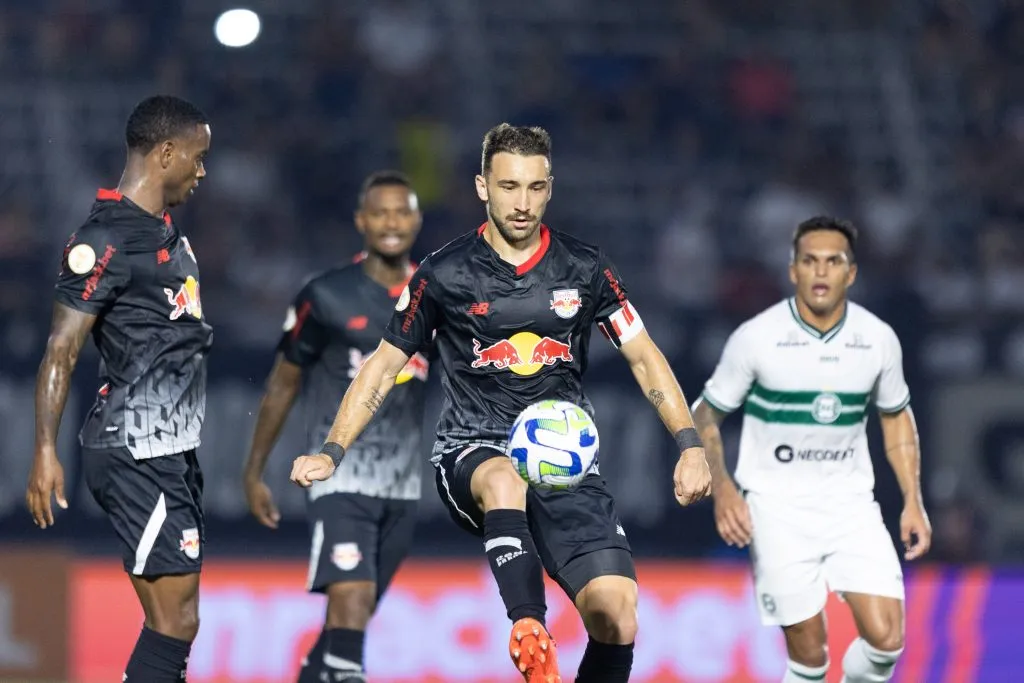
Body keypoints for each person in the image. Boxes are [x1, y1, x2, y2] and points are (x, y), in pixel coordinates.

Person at [289, 124, 712, 683]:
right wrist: (333, 451)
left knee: (617, 616)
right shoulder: (443, 274)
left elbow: (643, 356)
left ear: (550, 188)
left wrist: (689, 445)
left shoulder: (585, 268)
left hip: (565, 464)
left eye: (535, 187)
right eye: (509, 186)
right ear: (482, 187)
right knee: (506, 477)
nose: (523, 203)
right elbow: (383, 366)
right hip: (472, 450)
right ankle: (529, 628)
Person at [691, 216, 932, 683]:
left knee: (887, 642)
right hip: (776, 508)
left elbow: (896, 416)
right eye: (810, 260)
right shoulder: (757, 337)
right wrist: (724, 490)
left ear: (851, 272)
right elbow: (705, 414)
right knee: (809, 657)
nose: (821, 271)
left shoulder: (877, 339)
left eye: (833, 261)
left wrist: (912, 500)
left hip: (851, 506)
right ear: (793, 270)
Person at [26, 95, 212, 683]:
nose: (202, 170)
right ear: (167, 153)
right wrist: (45, 450)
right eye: (197, 157)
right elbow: (61, 348)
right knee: (175, 620)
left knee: (178, 620)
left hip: (170, 448)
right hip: (135, 446)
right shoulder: (104, 238)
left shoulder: (164, 233)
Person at [242, 170, 428, 683]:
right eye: (380, 213)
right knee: (352, 600)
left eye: (401, 212)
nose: (391, 223)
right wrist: (254, 471)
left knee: (350, 621)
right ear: (361, 221)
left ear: (416, 221)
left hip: (403, 487)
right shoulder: (325, 296)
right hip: (339, 480)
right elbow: (282, 385)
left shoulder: (433, 297)